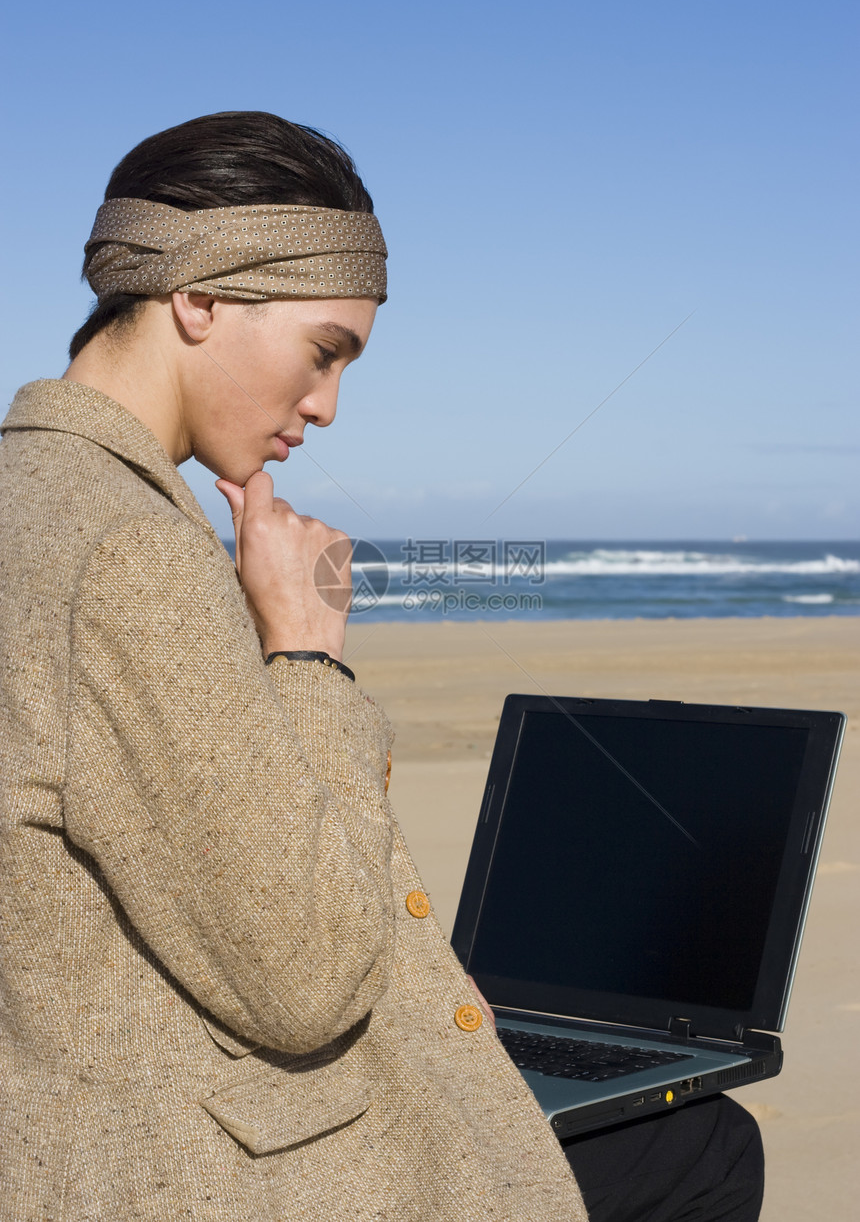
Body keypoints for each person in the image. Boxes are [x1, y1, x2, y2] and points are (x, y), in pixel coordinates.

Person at [0, 111, 762, 1221]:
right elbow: (306, 980)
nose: (325, 407)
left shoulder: (31, 498)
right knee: (696, 1148)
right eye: (324, 352)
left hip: (62, 1117)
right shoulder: (129, 551)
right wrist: (304, 656)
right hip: (183, 1163)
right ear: (198, 299)